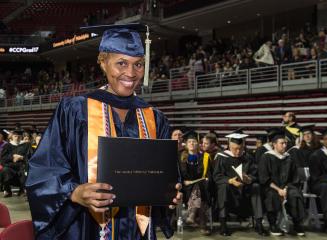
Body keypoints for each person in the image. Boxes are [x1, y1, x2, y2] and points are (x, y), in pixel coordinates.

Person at [25, 23, 182, 240]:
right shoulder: (74, 111)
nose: (131, 73)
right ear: (102, 63)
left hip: (137, 233)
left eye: (138, 64)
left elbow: (166, 175)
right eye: (121, 63)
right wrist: (74, 192)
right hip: (85, 228)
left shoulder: (155, 118)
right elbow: (43, 169)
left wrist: (171, 193)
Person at [213, 129, 267, 236]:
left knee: (256, 186)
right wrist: (230, 181)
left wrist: (249, 179)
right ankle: (223, 225)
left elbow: (255, 174)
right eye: (235, 149)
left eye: (240, 148)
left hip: (245, 192)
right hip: (230, 192)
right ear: (229, 145)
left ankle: (259, 224)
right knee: (223, 187)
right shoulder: (222, 157)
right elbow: (217, 176)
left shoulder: (248, 157)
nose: (238, 152)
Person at [259, 129, 305, 236]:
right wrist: (279, 190)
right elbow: (264, 178)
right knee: (271, 195)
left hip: (287, 187)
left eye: (285, 143)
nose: (284, 146)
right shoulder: (266, 157)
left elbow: (294, 178)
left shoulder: (289, 158)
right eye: (282, 143)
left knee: (295, 193)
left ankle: (297, 223)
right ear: (274, 144)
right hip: (271, 187)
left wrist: (286, 189)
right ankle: (273, 224)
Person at [179, 130, 211, 235]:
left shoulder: (205, 157)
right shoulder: (181, 157)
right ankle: (203, 225)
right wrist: (184, 181)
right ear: (186, 144)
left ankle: (192, 214)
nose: (192, 143)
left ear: (198, 144)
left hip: (202, 186)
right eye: (189, 142)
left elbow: (208, 174)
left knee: (199, 187)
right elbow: (178, 174)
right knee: (199, 192)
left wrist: (207, 179)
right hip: (185, 187)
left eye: (194, 141)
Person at [1, 129, 33, 197]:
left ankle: (22, 190)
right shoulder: (7, 146)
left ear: (21, 137)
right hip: (11, 167)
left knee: (25, 170)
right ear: (12, 137)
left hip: (22, 166)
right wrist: (12, 157)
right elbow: (3, 159)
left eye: (19, 136)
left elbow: (31, 157)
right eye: (15, 136)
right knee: (5, 170)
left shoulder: (26, 145)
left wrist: (22, 158)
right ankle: (7, 190)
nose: (17, 137)